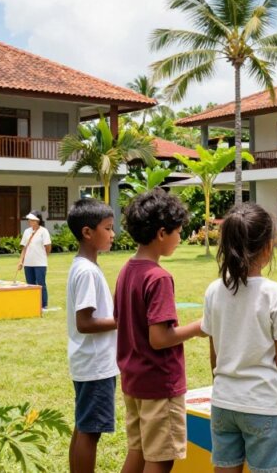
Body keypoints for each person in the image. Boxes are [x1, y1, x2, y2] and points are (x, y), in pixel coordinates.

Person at [202, 203, 277, 473]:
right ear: (268, 248)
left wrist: (225, 386)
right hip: (264, 405)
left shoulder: (214, 291)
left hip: (223, 402)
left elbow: (215, 353)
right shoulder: (276, 294)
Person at [115, 189, 204, 473]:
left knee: (138, 451)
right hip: (158, 383)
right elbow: (160, 338)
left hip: (133, 380)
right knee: (161, 458)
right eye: (179, 232)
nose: (180, 239)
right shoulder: (159, 277)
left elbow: (121, 320)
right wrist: (198, 328)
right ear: (162, 233)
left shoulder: (127, 270)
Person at [65, 198, 119, 473]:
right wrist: (121, 321)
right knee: (91, 431)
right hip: (96, 364)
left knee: (83, 426)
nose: (113, 234)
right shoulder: (87, 271)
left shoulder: (83, 266)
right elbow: (84, 322)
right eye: (108, 228)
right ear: (88, 232)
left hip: (87, 361)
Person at [18, 211, 52, 308]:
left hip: (40, 263)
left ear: (37, 221)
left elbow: (48, 246)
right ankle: (33, 303)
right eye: (29, 219)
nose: (29, 221)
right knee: (30, 284)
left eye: (32, 220)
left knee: (41, 283)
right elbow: (24, 247)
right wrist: (21, 261)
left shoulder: (43, 231)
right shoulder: (26, 231)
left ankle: (43, 304)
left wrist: (44, 256)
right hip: (28, 263)